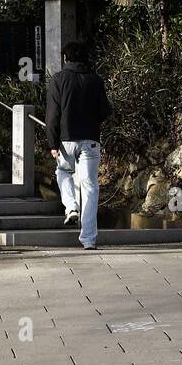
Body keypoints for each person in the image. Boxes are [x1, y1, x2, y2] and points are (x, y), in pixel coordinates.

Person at [45, 41, 111, 250]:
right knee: (90, 187)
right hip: (90, 140)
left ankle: (71, 206)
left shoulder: (58, 79)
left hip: (66, 140)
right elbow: (105, 111)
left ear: (66, 58)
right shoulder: (96, 80)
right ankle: (89, 239)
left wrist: (52, 142)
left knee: (63, 172)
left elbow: (53, 114)